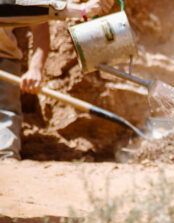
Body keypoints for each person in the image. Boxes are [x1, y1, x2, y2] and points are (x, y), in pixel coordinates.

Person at [0, 0, 113, 159]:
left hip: (4, 60)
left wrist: (35, 69)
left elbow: (29, 16)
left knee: (5, 116)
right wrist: (79, 10)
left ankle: (6, 159)